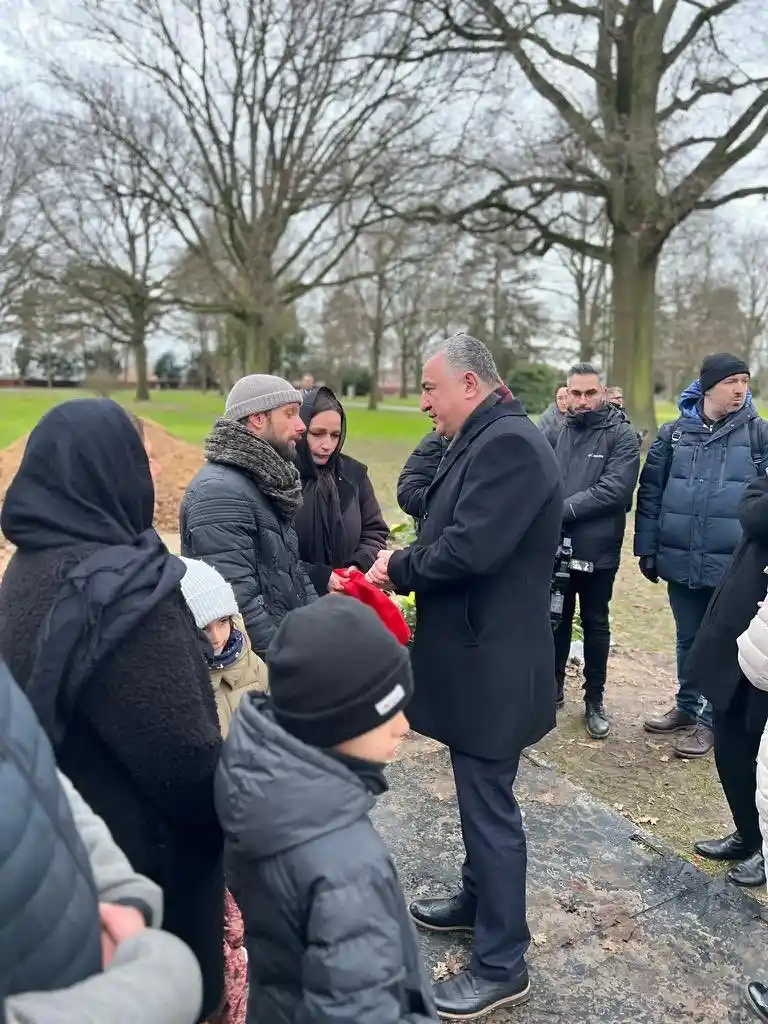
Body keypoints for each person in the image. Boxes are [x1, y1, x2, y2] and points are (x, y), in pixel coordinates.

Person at [0, 398, 225, 1021]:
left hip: (68, 866)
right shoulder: (119, 596)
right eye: (141, 460)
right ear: (109, 472)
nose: (151, 476)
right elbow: (187, 764)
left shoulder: (29, 570)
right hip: (143, 882)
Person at [368, 333, 563, 1020]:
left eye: (431, 389)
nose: (424, 403)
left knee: (490, 808)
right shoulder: (485, 436)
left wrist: (400, 568)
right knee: (481, 796)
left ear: (471, 385)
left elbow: (471, 548)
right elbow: (442, 517)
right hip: (480, 660)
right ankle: (477, 902)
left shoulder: (507, 444)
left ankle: (502, 962)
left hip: (495, 666)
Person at [216, 597, 438, 1023]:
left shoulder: (259, 778)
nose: (404, 727)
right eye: (388, 712)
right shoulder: (346, 863)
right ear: (338, 724)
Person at [0, 659, 203, 1024]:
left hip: (106, 938)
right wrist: (160, 984)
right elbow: (188, 758)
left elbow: (38, 772)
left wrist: (119, 888)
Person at [635, 353, 768, 759]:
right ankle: (687, 706)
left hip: (733, 567)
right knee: (687, 638)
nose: (740, 389)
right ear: (708, 386)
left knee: (724, 643)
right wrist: (646, 548)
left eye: (745, 381)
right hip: (680, 559)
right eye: (732, 381)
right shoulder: (673, 433)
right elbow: (651, 494)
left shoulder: (760, 435)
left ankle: (712, 721)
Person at [180, 374, 317, 657]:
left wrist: (322, 627)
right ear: (257, 419)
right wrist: (292, 663)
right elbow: (238, 605)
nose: (302, 426)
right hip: (259, 671)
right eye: (289, 414)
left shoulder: (269, 481)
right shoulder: (219, 493)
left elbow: (292, 572)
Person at [683, 476, 768, 888]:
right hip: (743, 635)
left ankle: (766, 852)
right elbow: (753, 511)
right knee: (731, 744)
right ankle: (749, 835)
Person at [550, 363, 640, 739]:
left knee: (594, 623)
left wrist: (561, 509)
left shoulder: (622, 436)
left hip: (597, 548)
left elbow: (614, 491)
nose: (582, 401)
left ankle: (594, 700)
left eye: (590, 393)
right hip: (554, 545)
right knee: (554, 619)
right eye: (576, 393)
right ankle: (550, 690)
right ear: (566, 394)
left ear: (602, 392)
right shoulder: (558, 432)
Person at [294, 385, 389, 595]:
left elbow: (374, 531)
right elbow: (272, 553)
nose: (327, 445)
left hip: (348, 595)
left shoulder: (354, 475)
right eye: (317, 434)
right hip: (295, 602)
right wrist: (317, 577)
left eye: (335, 435)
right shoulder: (281, 478)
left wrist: (358, 565)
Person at [179, 556, 269, 733]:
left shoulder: (252, 662)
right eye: (203, 628)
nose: (218, 638)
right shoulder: (181, 684)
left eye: (223, 621)